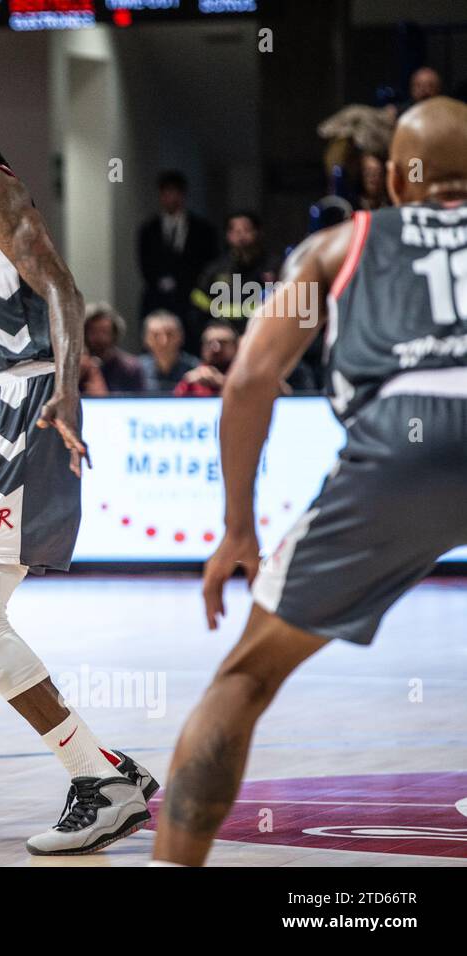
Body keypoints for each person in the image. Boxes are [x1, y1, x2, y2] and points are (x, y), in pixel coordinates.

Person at [154, 96, 467, 866]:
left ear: (392, 178)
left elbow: (249, 380)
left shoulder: (333, 247)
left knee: (243, 679)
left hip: (400, 444)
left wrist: (237, 526)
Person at [0, 31, 156, 856]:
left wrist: (65, 395)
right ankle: (109, 766)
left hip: (25, 408)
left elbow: (66, 295)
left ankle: (98, 780)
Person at [137, 170, 218, 330]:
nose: (171, 198)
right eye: (166, 193)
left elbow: (209, 262)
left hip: (191, 298)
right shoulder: (148, 229)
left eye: (175, 192)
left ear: (183, 195)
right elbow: (144, 263)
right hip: (157, 297)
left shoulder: (202, 229)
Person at [83, 302, 144, 393]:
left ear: (115, 334)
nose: (99, 338)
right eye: (93, 332)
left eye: (104, 332)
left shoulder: (130, 368)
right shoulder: (76, 369)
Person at [173, 319, 238, 397]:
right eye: (210, 343)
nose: (216, 348)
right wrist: (187, 381)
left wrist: (221, 382)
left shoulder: (247, 374)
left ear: (235, 346)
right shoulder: (192, 380)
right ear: (203, 348)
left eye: (223, 342)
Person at [139, 309, 199, 393]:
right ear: (146, 339)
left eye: (169, 334)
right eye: (156, 335)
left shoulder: (196, 369)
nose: (163, 341)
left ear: (181, 337)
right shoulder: (136, 371)